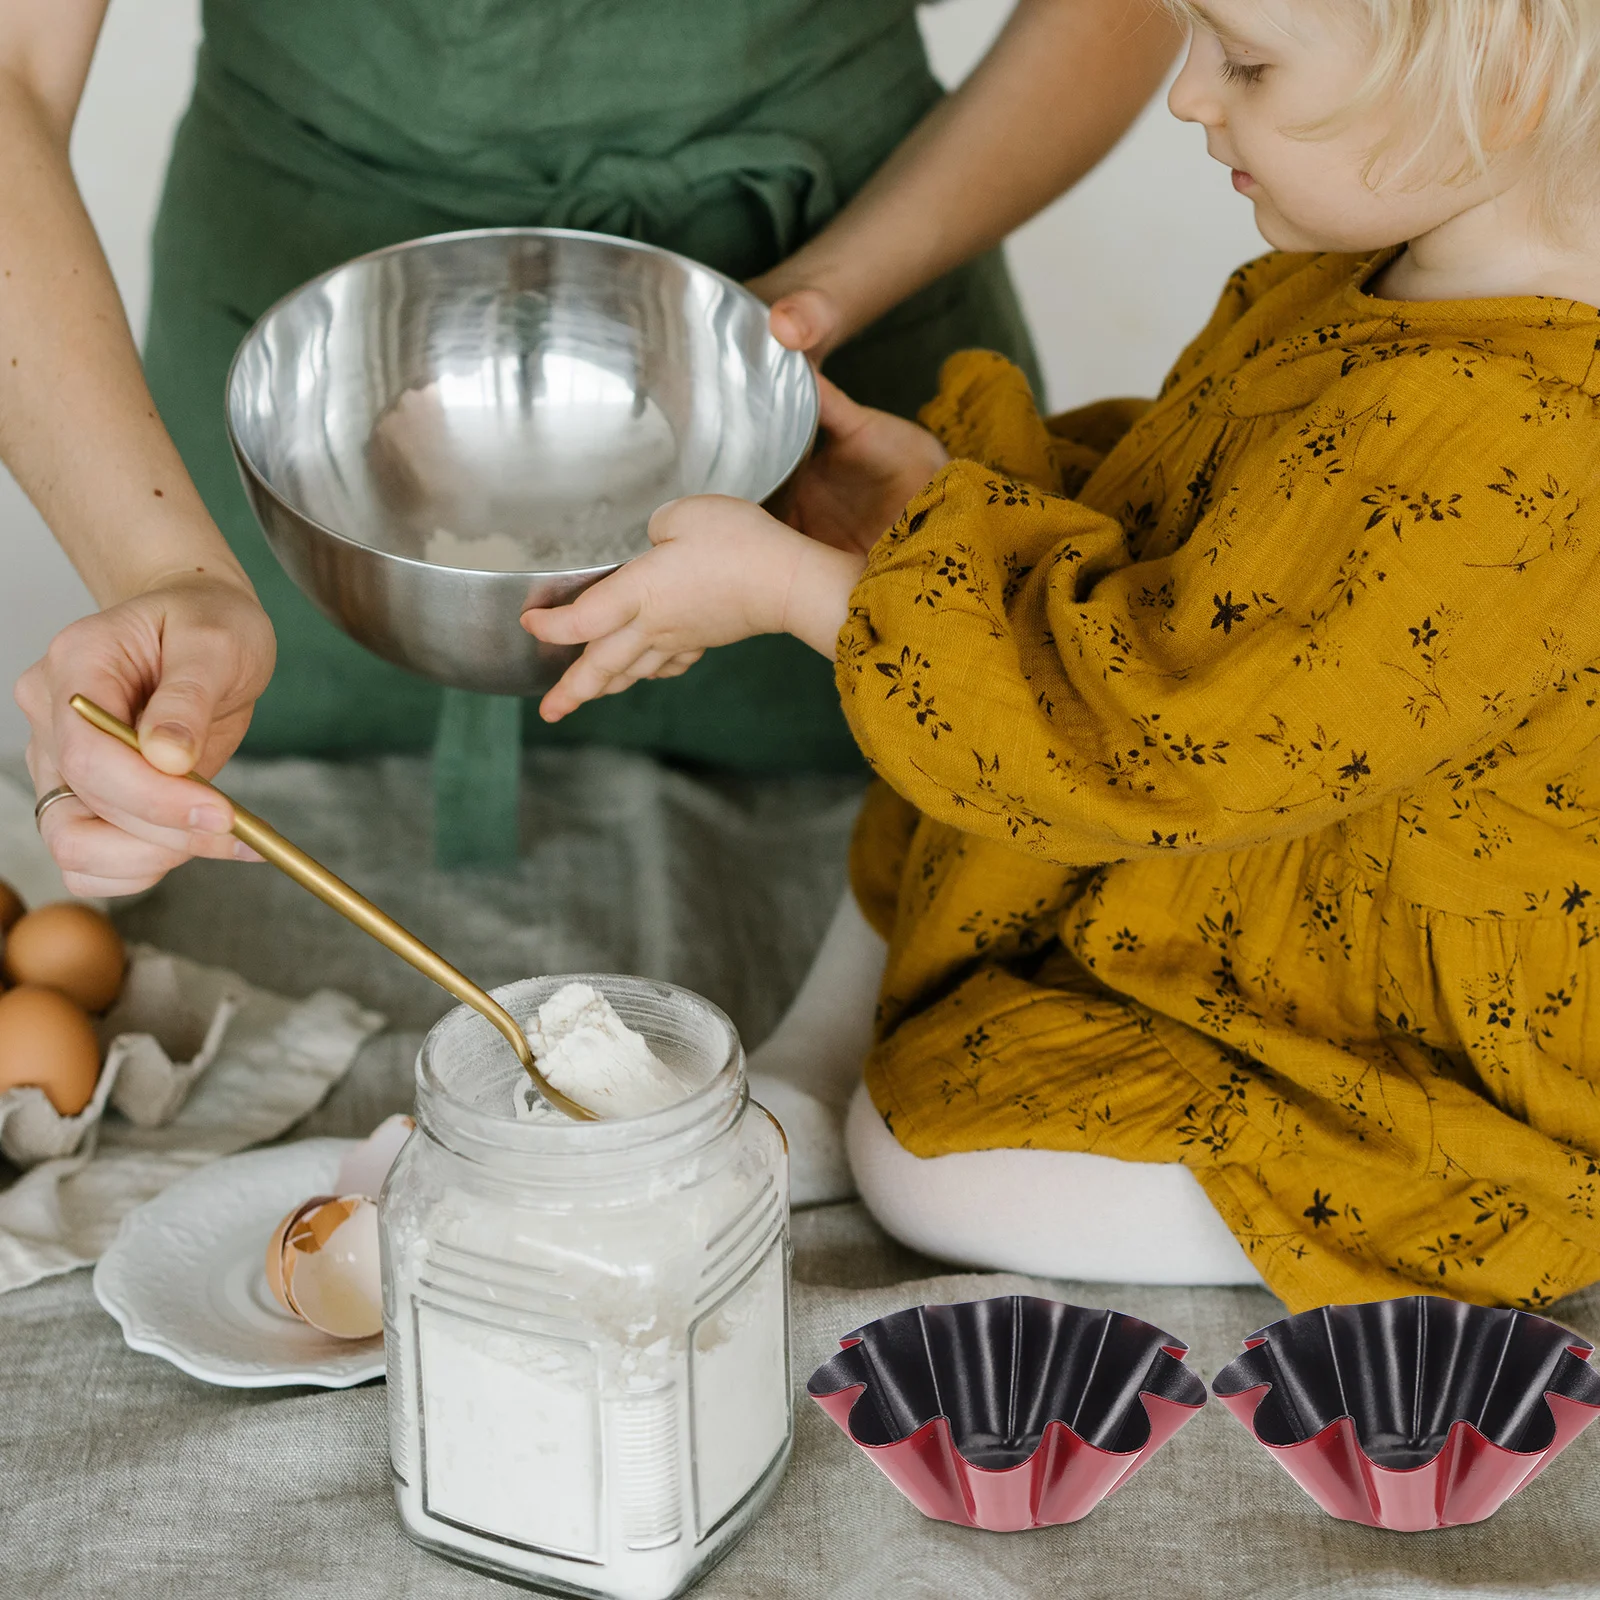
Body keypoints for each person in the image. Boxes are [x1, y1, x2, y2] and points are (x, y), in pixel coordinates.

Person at [522, 0, 1600, 1312]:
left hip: (1367, 992)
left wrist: (816, 598)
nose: (1189, 96)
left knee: (922, 1166)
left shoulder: (1515, 431)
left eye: (1246, 62)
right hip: (1226, 816)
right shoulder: (1381, 265)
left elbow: (1160, 739)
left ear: (1501, 95)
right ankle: (811, 1056)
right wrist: (925, 508)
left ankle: (1411, 1217)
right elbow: (1202, 539)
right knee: (937, 721)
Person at [4, 0, 1180, 891]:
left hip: (840, 362)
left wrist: (820, 297)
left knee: (910, 875)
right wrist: (163, 570)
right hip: (322, 421)